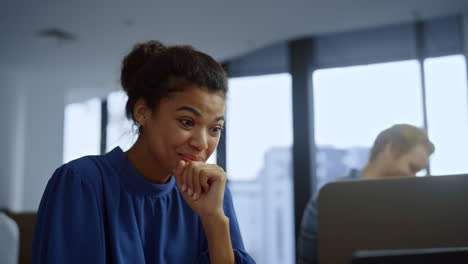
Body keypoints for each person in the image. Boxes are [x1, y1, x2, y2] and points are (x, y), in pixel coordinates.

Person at [32, 40, 255, 264]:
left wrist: (214, 220)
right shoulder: (82, 181)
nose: (202, 143)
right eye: (187, 122)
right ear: (143, 112)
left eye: (215, 129)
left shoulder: (211, 193)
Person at [297, 124, 435, 264]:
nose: (413, 178)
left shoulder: (411, 207)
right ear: (391, 149)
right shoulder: (330, 200)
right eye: (412, 168)